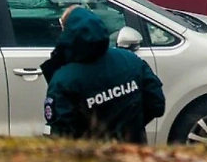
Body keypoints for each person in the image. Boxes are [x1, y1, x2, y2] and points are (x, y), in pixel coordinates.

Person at [43, 7, 166, 142]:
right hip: (135, 154)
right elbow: (156, 104)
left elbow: (61, 134)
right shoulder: (130, 60)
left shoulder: (64, 80)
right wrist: (131, 129)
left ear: (67, 34)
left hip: (92, 159)